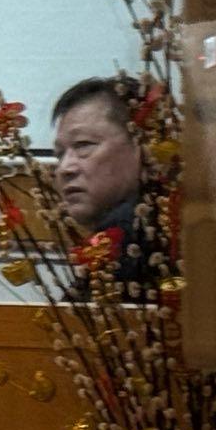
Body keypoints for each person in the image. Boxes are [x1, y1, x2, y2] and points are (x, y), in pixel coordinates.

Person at [51, 76, 146, 286]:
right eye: (59, 154)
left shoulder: (137, 235)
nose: (65, 168)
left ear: (141, 145)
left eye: (83, 145)